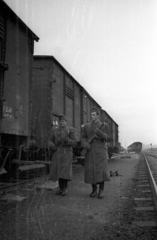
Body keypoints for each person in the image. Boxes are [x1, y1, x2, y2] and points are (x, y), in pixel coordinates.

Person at [81, 107, 111, 199]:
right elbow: (83, 138)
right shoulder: (87, 126)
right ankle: (94, 190)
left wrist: (100, 133)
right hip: (90, 151)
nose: (92, 116)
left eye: (94, 115)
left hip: (101, 151)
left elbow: (108, 138)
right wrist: (85, 144)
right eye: (91, 115)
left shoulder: (104, 125)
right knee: (91, 171)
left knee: (101, 171)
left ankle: (101, 190)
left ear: (98, 115)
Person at [48, 114, 77, 196]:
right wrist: (52, 145)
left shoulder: (71, 130)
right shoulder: (55, 130)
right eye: (60, 121)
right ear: (58, 122)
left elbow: (74, 142)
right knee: (58, 171)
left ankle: (65, 189)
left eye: (63, 121)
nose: (62, 123)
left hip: (67, 152)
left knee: (64, 172)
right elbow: (49, 140)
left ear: (66, 122)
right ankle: (61, 188)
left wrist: (67, 141)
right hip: (57, 152)